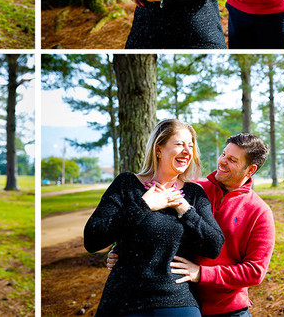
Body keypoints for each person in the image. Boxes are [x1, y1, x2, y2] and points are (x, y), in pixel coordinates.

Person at [109, 133, 275, 317]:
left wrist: (201, 273)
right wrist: (120, 250)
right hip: (178, 301)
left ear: (250, 169)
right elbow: (151, 225)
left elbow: (255, 271)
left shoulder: (260, 212)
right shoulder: (193, 190)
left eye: (232, 160)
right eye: (223, 154)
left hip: (228, 310)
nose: (222, 161)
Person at [84, 119, 224, 316]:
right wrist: (144, 206)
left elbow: (214, 245)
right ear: (159, 149)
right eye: (179, 144)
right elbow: (92, 239)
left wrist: (185, 209)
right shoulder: (127, 184)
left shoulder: (193, 194)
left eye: (190, 146)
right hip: (123, 299)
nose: (187, 151)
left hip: (176, 299)